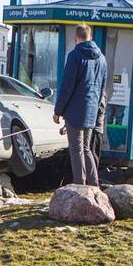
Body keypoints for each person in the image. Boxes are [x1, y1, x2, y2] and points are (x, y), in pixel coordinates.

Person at [53, 24, 108, 186]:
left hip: (75, 111)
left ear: (75, 38)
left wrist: (58, 110)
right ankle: (93, 184)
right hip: (91, 110)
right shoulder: (102, 58)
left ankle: (80, 185)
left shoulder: (75, 55)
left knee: (76, 149)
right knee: (86, 149)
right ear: (91, 38)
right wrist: (96, 109)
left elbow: (67, 85)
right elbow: (102, 88)